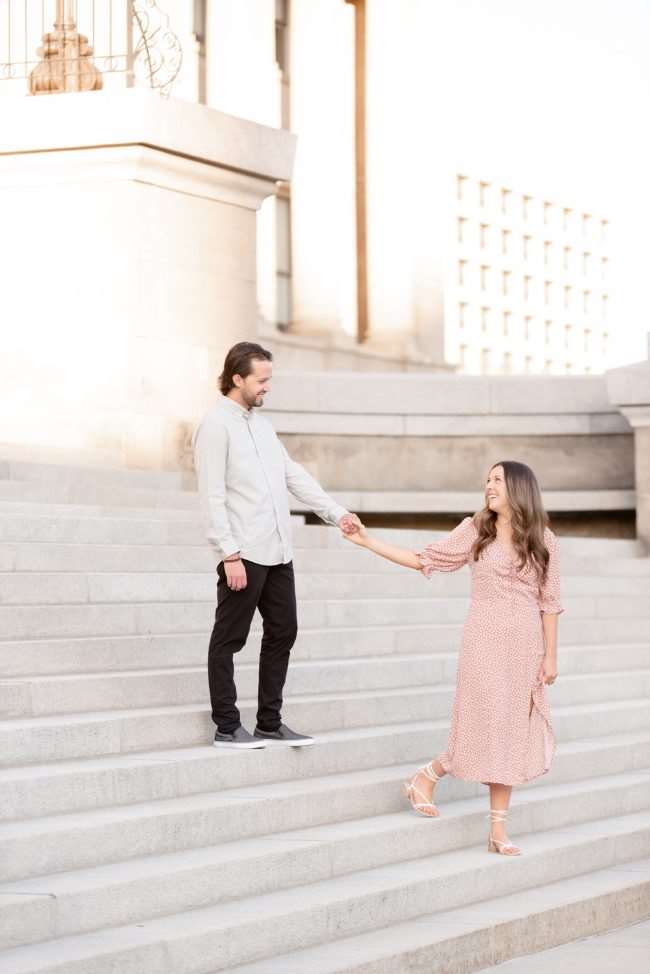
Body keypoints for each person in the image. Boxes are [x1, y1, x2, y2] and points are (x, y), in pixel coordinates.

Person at [344, 460, 562, 855]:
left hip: (524, 649)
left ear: (519, 488)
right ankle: (428, 775)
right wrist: (367, 541)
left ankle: (497, 830)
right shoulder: (476, 530)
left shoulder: (544, 539)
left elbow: (550, 602)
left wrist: (550, 656)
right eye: (488, 480)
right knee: (481, 723)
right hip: (483, 642)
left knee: (510, 734)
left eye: (498, 480)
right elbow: (423, 559)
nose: (488, 486)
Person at [193, 341, 361, 750]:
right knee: (229, 639)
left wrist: (337, 513)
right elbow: (212, 495)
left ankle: (269, 721)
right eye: (261, 380)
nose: (268, 387)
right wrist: (228, 553)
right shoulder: (215, 426)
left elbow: (294, 476)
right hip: (243, 554)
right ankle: (227, 726)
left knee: (284, 631)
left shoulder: (263, 427)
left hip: (278, 551)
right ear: (238, 378)